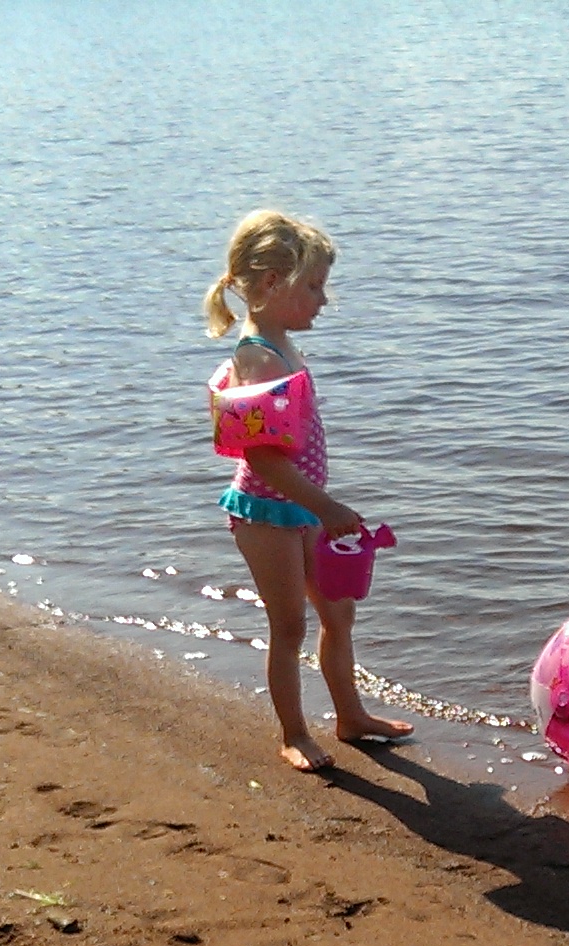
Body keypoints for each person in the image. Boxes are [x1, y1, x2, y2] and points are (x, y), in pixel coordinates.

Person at [202, 209, 413, 773]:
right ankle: (294, 732)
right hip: (266, 512)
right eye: (314, 286)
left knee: (338, 613)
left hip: (303, 507)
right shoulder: (257, 356)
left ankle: (351, 716)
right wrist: (325, 505)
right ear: (273, 284)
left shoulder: (283, 347)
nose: (324, 300)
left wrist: (318, 507)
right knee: (289, 624)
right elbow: (262, 456)